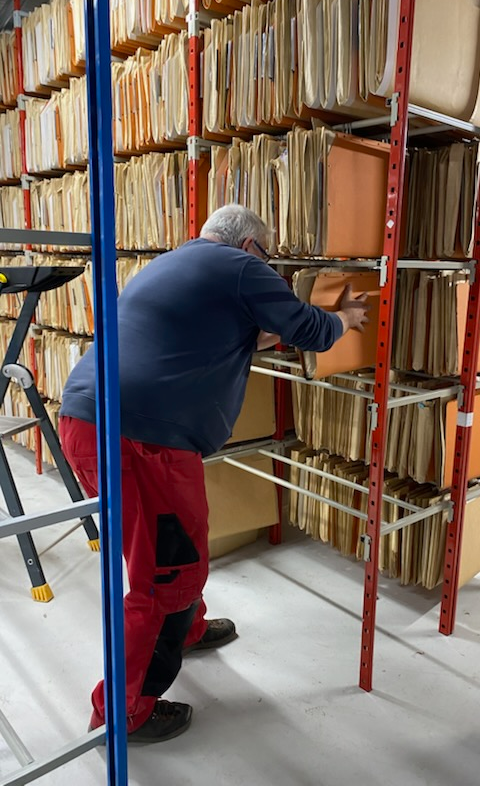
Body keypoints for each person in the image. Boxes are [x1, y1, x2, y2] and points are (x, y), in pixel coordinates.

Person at [59, 205, 369, 743]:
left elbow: (245, 337)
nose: (269, 271)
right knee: (165, 577)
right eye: (270, 261)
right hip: (142, 441)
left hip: (94, 425)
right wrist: (345, 317)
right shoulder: (240, 267)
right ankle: (123, 711)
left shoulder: (174, 264)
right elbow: (312, 331)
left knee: (168, 551)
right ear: (251, 247)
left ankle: (191, 628)